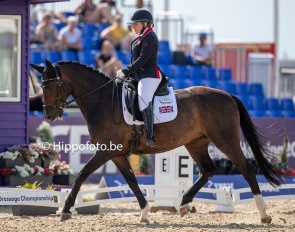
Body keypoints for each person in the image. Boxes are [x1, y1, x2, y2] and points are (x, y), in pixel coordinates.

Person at [116, 9, 165, 147]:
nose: (132, 27)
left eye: (135, 24)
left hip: (149, 75)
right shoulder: (140, 38)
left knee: (144, 100)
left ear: (145, 23)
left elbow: (143, 60)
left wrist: (126, 71)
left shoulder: (150, 37)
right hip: (138, 75)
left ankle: (150, 136)